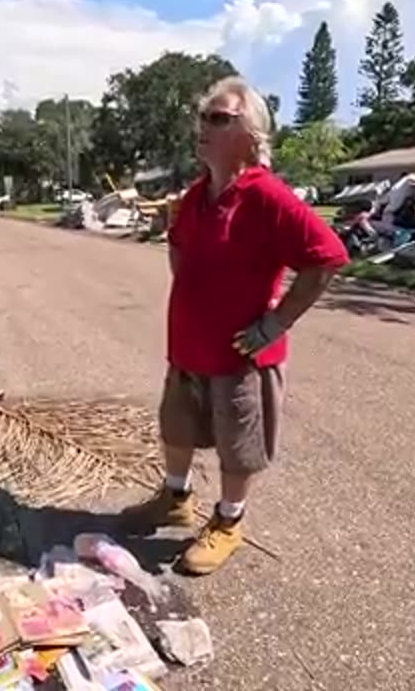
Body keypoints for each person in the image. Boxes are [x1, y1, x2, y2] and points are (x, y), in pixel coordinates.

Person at [121, 76, 350, 575]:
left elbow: (327, 258)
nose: (203, 125)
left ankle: (228, 521)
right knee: (176, 427)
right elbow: (180, 254)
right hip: (188, 346)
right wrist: (180, 252)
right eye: (203, 116)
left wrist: (275, 321)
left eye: (219, 118)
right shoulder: (198, 194)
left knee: (238, 444)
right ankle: (176, 498)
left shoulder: (267, 196)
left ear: (250, 134)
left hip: (241, 352)